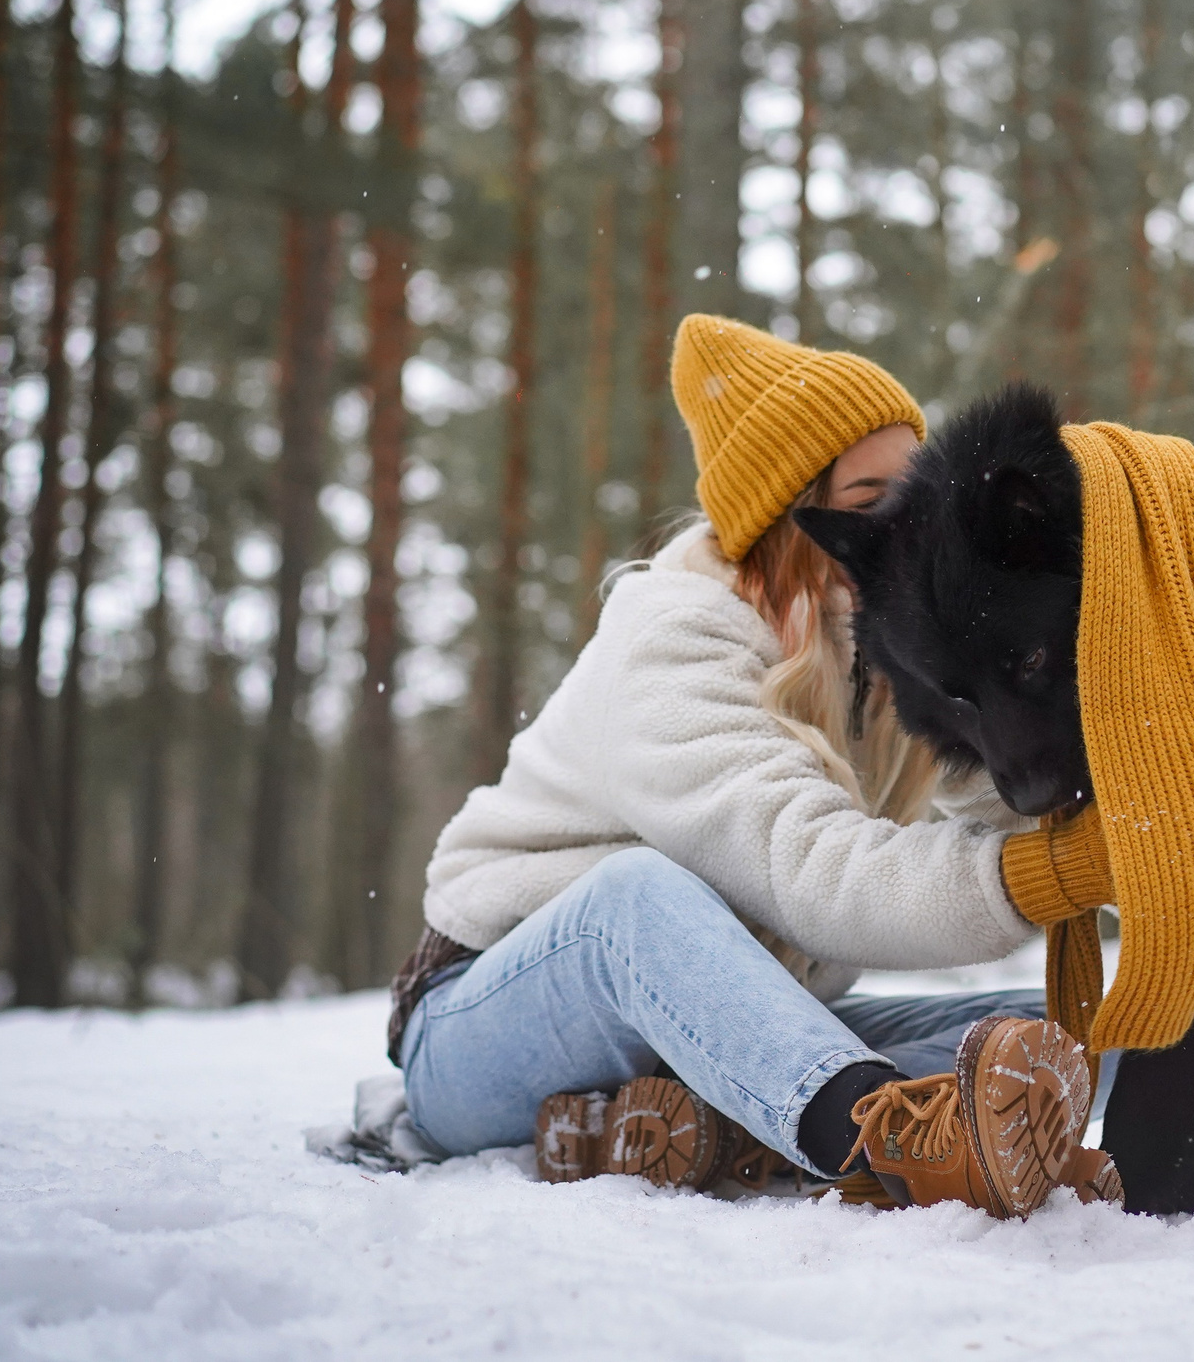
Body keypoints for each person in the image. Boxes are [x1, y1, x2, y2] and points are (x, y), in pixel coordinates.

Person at [388, 314, 1119, 1217]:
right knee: (634, 897)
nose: (911, 523)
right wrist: (1057, 872)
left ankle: (715, 1119)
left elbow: (1012, 802)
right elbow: (805, 867)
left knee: (1088, 1033)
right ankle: (888, 1138)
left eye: (918, 490)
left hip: (723, 1022)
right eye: (871, 498)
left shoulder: (882, 644)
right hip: (485, 1022)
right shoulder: (671, 641)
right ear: (792, 518)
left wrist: (1153, 853)